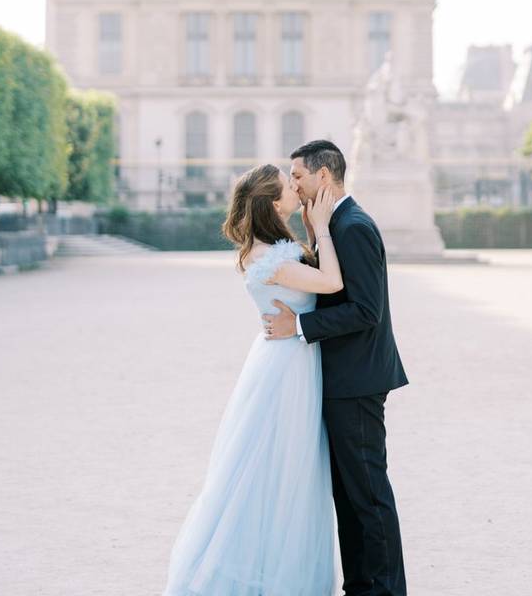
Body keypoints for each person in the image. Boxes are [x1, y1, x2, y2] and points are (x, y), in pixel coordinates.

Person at [161, 163, 343, 595]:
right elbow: (332, 282)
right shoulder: (270, 256)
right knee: (278, 470)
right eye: (288, 185)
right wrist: (322, 228)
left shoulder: (271, 248)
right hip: (286, 369)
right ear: (272, 201)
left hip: (286, 358)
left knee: (284, 470)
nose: (296, 188)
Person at [263, 140, 409, 596]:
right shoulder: (334, 224)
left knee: (367, 494)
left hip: (358, 381)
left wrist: (300, 326)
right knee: (347, 494)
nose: (295, 184)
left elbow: (367, 310)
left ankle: (384, 590)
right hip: (343, 379)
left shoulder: (353, 226)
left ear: (323, 177)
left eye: (299, 176)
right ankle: (361, 586)